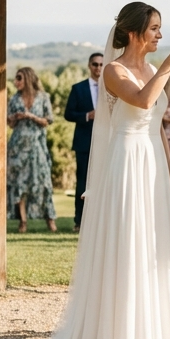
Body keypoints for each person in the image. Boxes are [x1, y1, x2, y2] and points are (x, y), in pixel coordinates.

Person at [0, 1, 170, 339]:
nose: (159, 34)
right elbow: (142, 100)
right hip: (127, 161)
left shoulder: (153, 67)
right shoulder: (113, 70)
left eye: (160, 28)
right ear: (135, 32)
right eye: (154, 28)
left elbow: (156, 125)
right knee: (128, 244)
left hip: (153, 161)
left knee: (152, 248)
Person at [7, 67, 57, 234]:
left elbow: (48, 120)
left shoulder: (43, 97)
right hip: (18, 146)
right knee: (19, 183)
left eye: (19, 78)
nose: (16, 82)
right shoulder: (14, 99)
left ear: (27, 79)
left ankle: (50, 219)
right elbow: (10, 124)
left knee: (44, 182)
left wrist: (30, 116)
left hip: (37, 145)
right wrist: (14, 118)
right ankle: (23, 221)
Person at [64, 52, 103, 232]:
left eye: (102, 65)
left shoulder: (112, 88)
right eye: (95, 64)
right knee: (82, 182)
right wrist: (88, 116)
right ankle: (79, 221)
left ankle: (101, 221)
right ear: (89, 66)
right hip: (84, 143)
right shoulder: (78, 88)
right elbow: (68, 114)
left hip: (106, 143)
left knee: (103, 182)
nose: (98, 68)